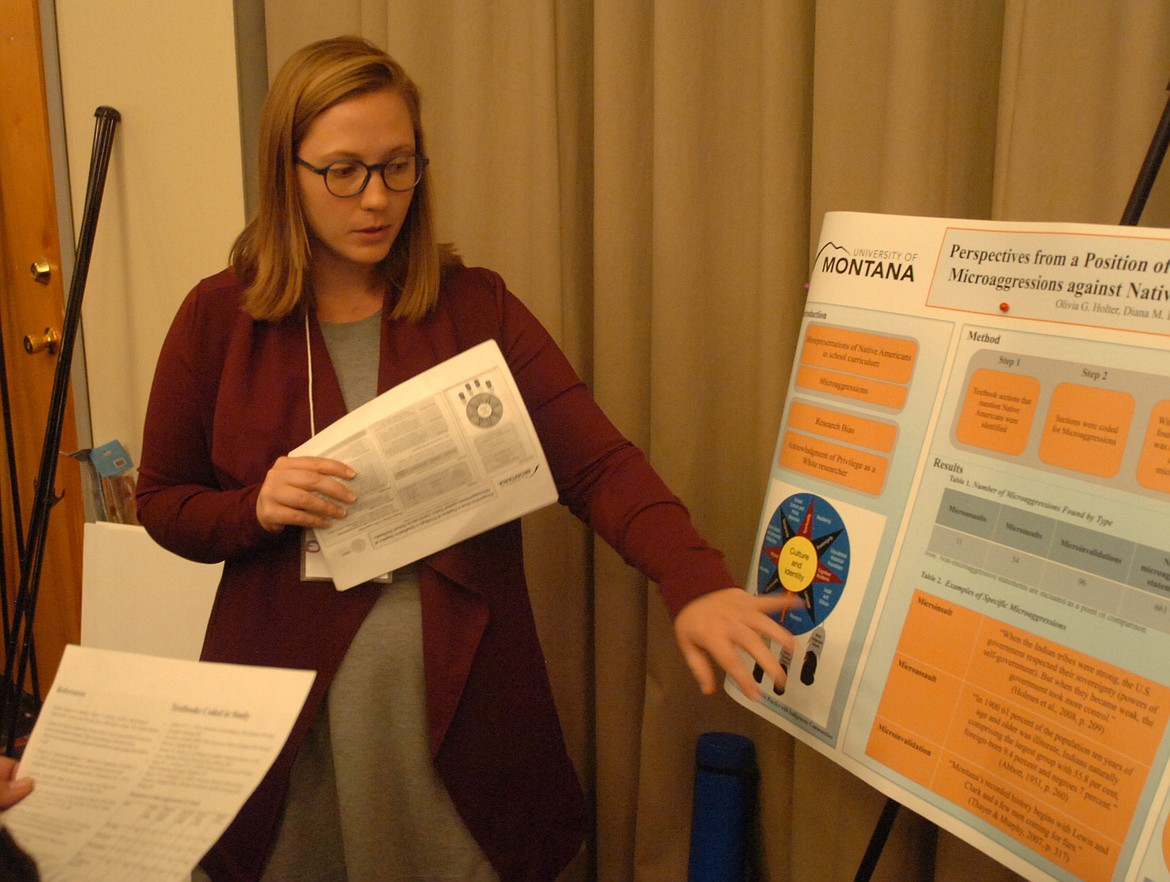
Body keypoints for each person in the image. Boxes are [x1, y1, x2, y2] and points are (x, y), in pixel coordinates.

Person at [136, 35, 795, 882]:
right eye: (344, 171)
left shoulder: (472, 308)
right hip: (293, 722)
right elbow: (161, 502)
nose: (377, 199)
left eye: (398, 166)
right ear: (284, 173)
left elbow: (596, 465)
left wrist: (694, 580)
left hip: (457, 710)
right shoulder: (219, 319)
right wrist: (253, 506)